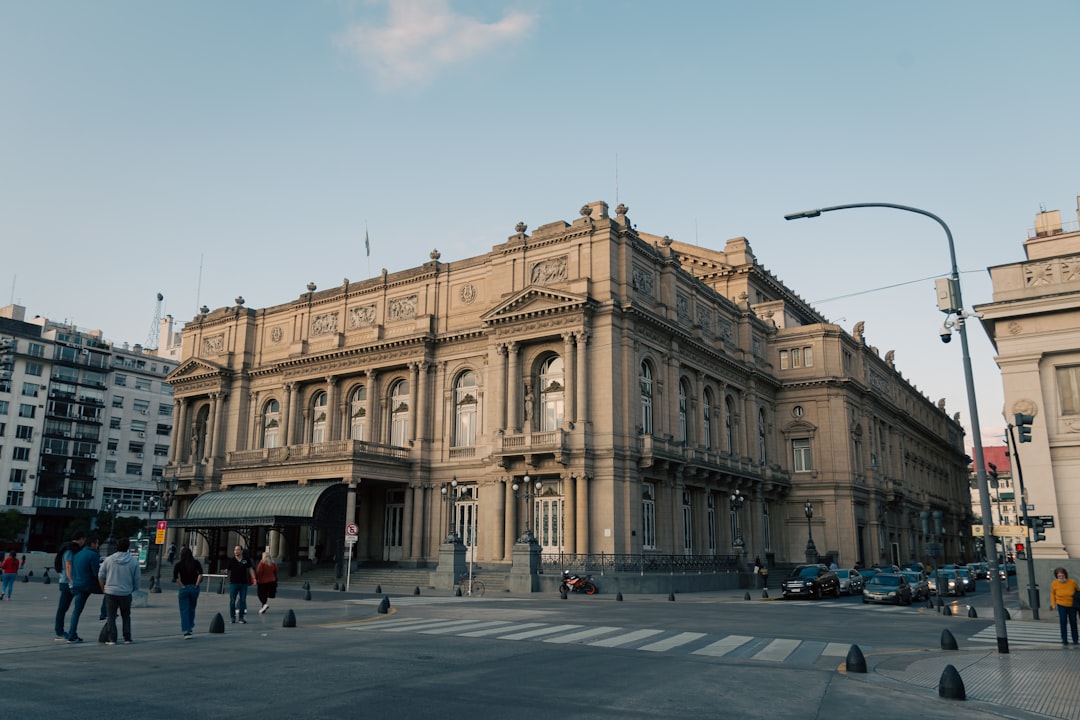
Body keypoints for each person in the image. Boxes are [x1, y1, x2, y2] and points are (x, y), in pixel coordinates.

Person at [98, 536, 140, 645]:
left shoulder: (109, 559)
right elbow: (137, 578)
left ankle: (112, 638)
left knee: (111, 616)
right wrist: (133, 589)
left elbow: (101, 575)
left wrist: (104, 589)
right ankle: (127, 637)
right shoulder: (133, 561)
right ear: (128, 547)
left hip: (110, 591)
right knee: (126, 615)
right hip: (126, 592)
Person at [67, 536, 101, 643]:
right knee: (109, 591)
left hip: (77, 585)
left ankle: (72, 635)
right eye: (97, 543)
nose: (97, 546)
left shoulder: (77, 554)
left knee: (76, 611)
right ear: (93, 544)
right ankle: (104, 613)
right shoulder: (93, 555)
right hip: (88, 584)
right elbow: (97, 573)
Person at [54, 532, 86, 640]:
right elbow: (68, 566)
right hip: (67, 582)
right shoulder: (69, 549)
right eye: (83, 540)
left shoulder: (70, 548)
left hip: (67, 581)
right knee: (63, 607)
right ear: (81, 539)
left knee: (64, 607)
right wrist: (72, 581)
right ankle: (59, 631)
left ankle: (61, 631)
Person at [173, 547, 203, 638]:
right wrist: (196, 585)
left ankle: (186, 630)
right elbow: (200, 574)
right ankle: (190, 627)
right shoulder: (196, 563)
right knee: (192, 608)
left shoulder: (179, 564)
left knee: (184, 610)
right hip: (194, 587)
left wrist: (182, 586)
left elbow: (175, 577)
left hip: (184, 588)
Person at [1049, 567, 1080, 646]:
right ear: (1056, 576)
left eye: (1062, 576)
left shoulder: (1072, 582)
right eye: (1059, 576)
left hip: (1072, 604)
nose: (1061, 578)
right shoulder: (1054, 583)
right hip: (1061, 604)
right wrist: (1053, 604)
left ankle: (1075, 639)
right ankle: (1064, 639)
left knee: (1073, 622)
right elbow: (1053, 593)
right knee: (1063, 621)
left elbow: (1078, 590)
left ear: (1065, 575)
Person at [226, 545, 256, 623]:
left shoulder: (246, 560)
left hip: (243, 583)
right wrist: (224, 572)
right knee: (232, 600)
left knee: (243, 600)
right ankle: (232, 618)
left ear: (241, 551)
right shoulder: (231, 560)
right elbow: (228, 570)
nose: (236, 551)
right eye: (235, 550)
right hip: (233, 583)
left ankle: (241, 618)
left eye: (238, 550)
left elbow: (250, 569)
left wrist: (254, 578)